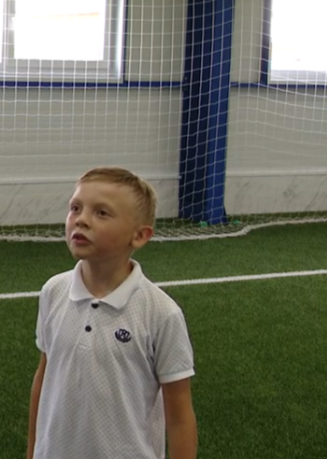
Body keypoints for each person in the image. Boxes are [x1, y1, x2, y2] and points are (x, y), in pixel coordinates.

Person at [27, 167, 197, 459]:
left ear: (139, 236)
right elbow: (44, 377)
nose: (81, 219)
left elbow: (180, 416)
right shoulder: (53, 291)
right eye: (75, 208)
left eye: (102, 213)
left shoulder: (161, 313)